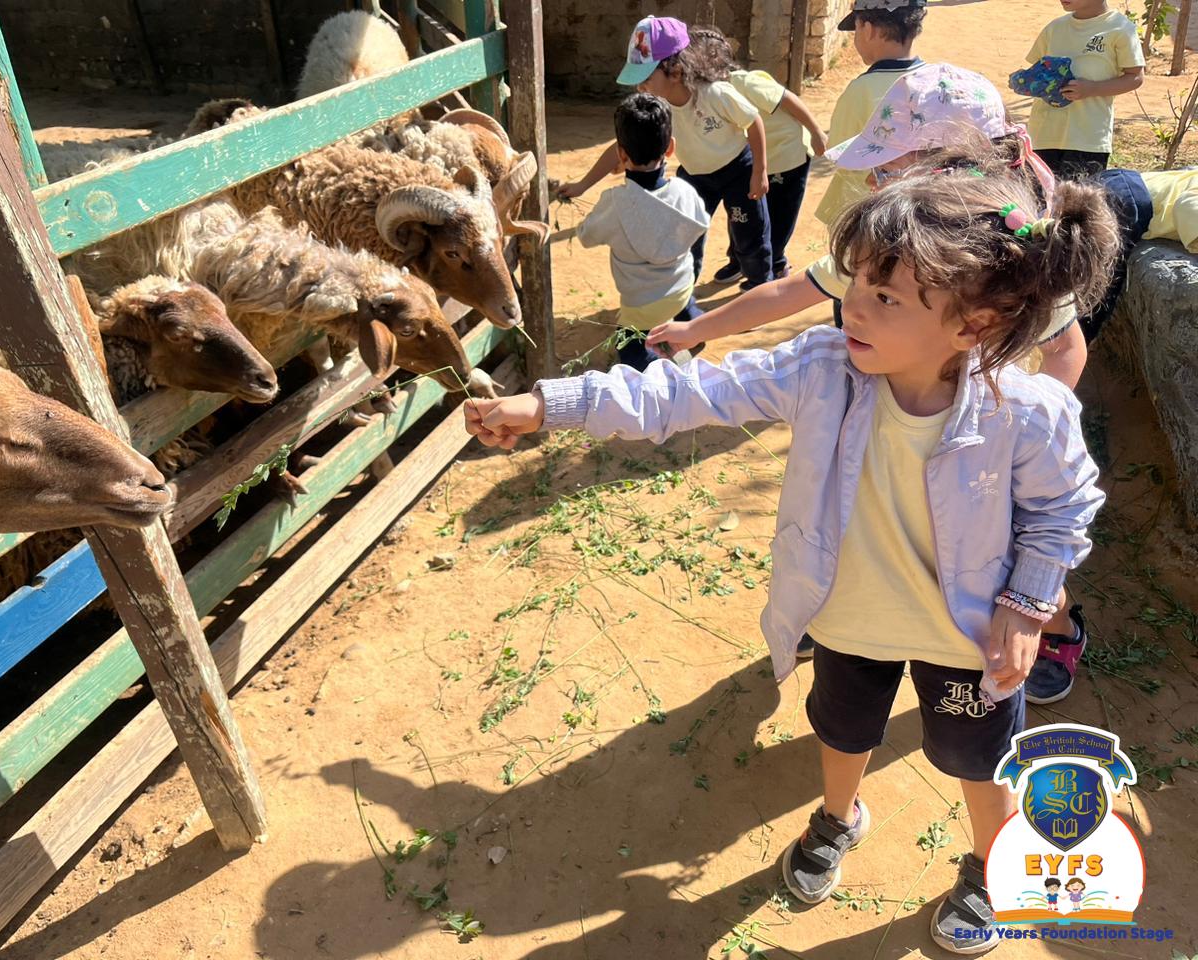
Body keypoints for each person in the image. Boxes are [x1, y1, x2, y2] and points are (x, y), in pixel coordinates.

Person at [466, 165, 1117, 955]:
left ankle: (989, 865)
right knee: (841, 730)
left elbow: (1064, 507)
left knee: (978, 763)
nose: (855, 309)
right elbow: (684, 396)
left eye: (887, 297)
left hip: (966, 640)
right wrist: (549, 404)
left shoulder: (1028, 410)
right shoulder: (822, 368)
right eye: (858, 286)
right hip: (846, 617)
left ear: (972, 324)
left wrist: (1025, 604)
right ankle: (837, 818)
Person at [646, 65, 1089, 389]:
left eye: (886, 168)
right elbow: (788, 291)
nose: (872, 181)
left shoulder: (1020, 249)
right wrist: (694, 330)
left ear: (944, 170)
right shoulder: (888, 244)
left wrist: (1031, 436)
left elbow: (1065, 349)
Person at [558, 16, 774, 291]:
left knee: (749, 234)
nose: (640, 88)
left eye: (646, 78)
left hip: (738, 171)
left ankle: (758, 286)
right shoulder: (659, 108)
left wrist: (759, 171)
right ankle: (682, 291)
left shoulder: (716, 94)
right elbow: (622, 146)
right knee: (686, 234)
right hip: (696, 176)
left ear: (675, 70)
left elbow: (753, 122)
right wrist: (582, 185)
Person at [574, 93, 710, 371]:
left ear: (621, 154)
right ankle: (688, 331)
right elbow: (701, 225)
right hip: (681, 289)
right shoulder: (685, 191)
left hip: (640, 306)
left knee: (629, 347)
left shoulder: (614, 202)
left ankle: (648, 363)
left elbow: (586, 235)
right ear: (670, 148)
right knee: (680, 304)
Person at [687, 27, 828, 284]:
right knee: (743, 215)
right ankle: (739, 261)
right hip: (756, 161)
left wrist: (816, 132)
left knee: (779, 216)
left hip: (787, 156)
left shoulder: (744, 82)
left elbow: (789, 99)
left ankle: (776, 264)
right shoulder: (706, 93)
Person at [814, 0, 928, 228]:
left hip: (862, 211)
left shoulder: (861, 90)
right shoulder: (931, 83)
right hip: (916, 211)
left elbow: (839, 150)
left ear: (867, 29)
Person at [1025, 0, 1144, 180]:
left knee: (1077, 205)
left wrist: (1092, 89)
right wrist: (1026, 82)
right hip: (1043, 134)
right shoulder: (1054, 29)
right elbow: (1037, 70)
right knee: (1041, 203)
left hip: (1087, 139)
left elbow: (1135, 77)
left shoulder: (1120, 29)